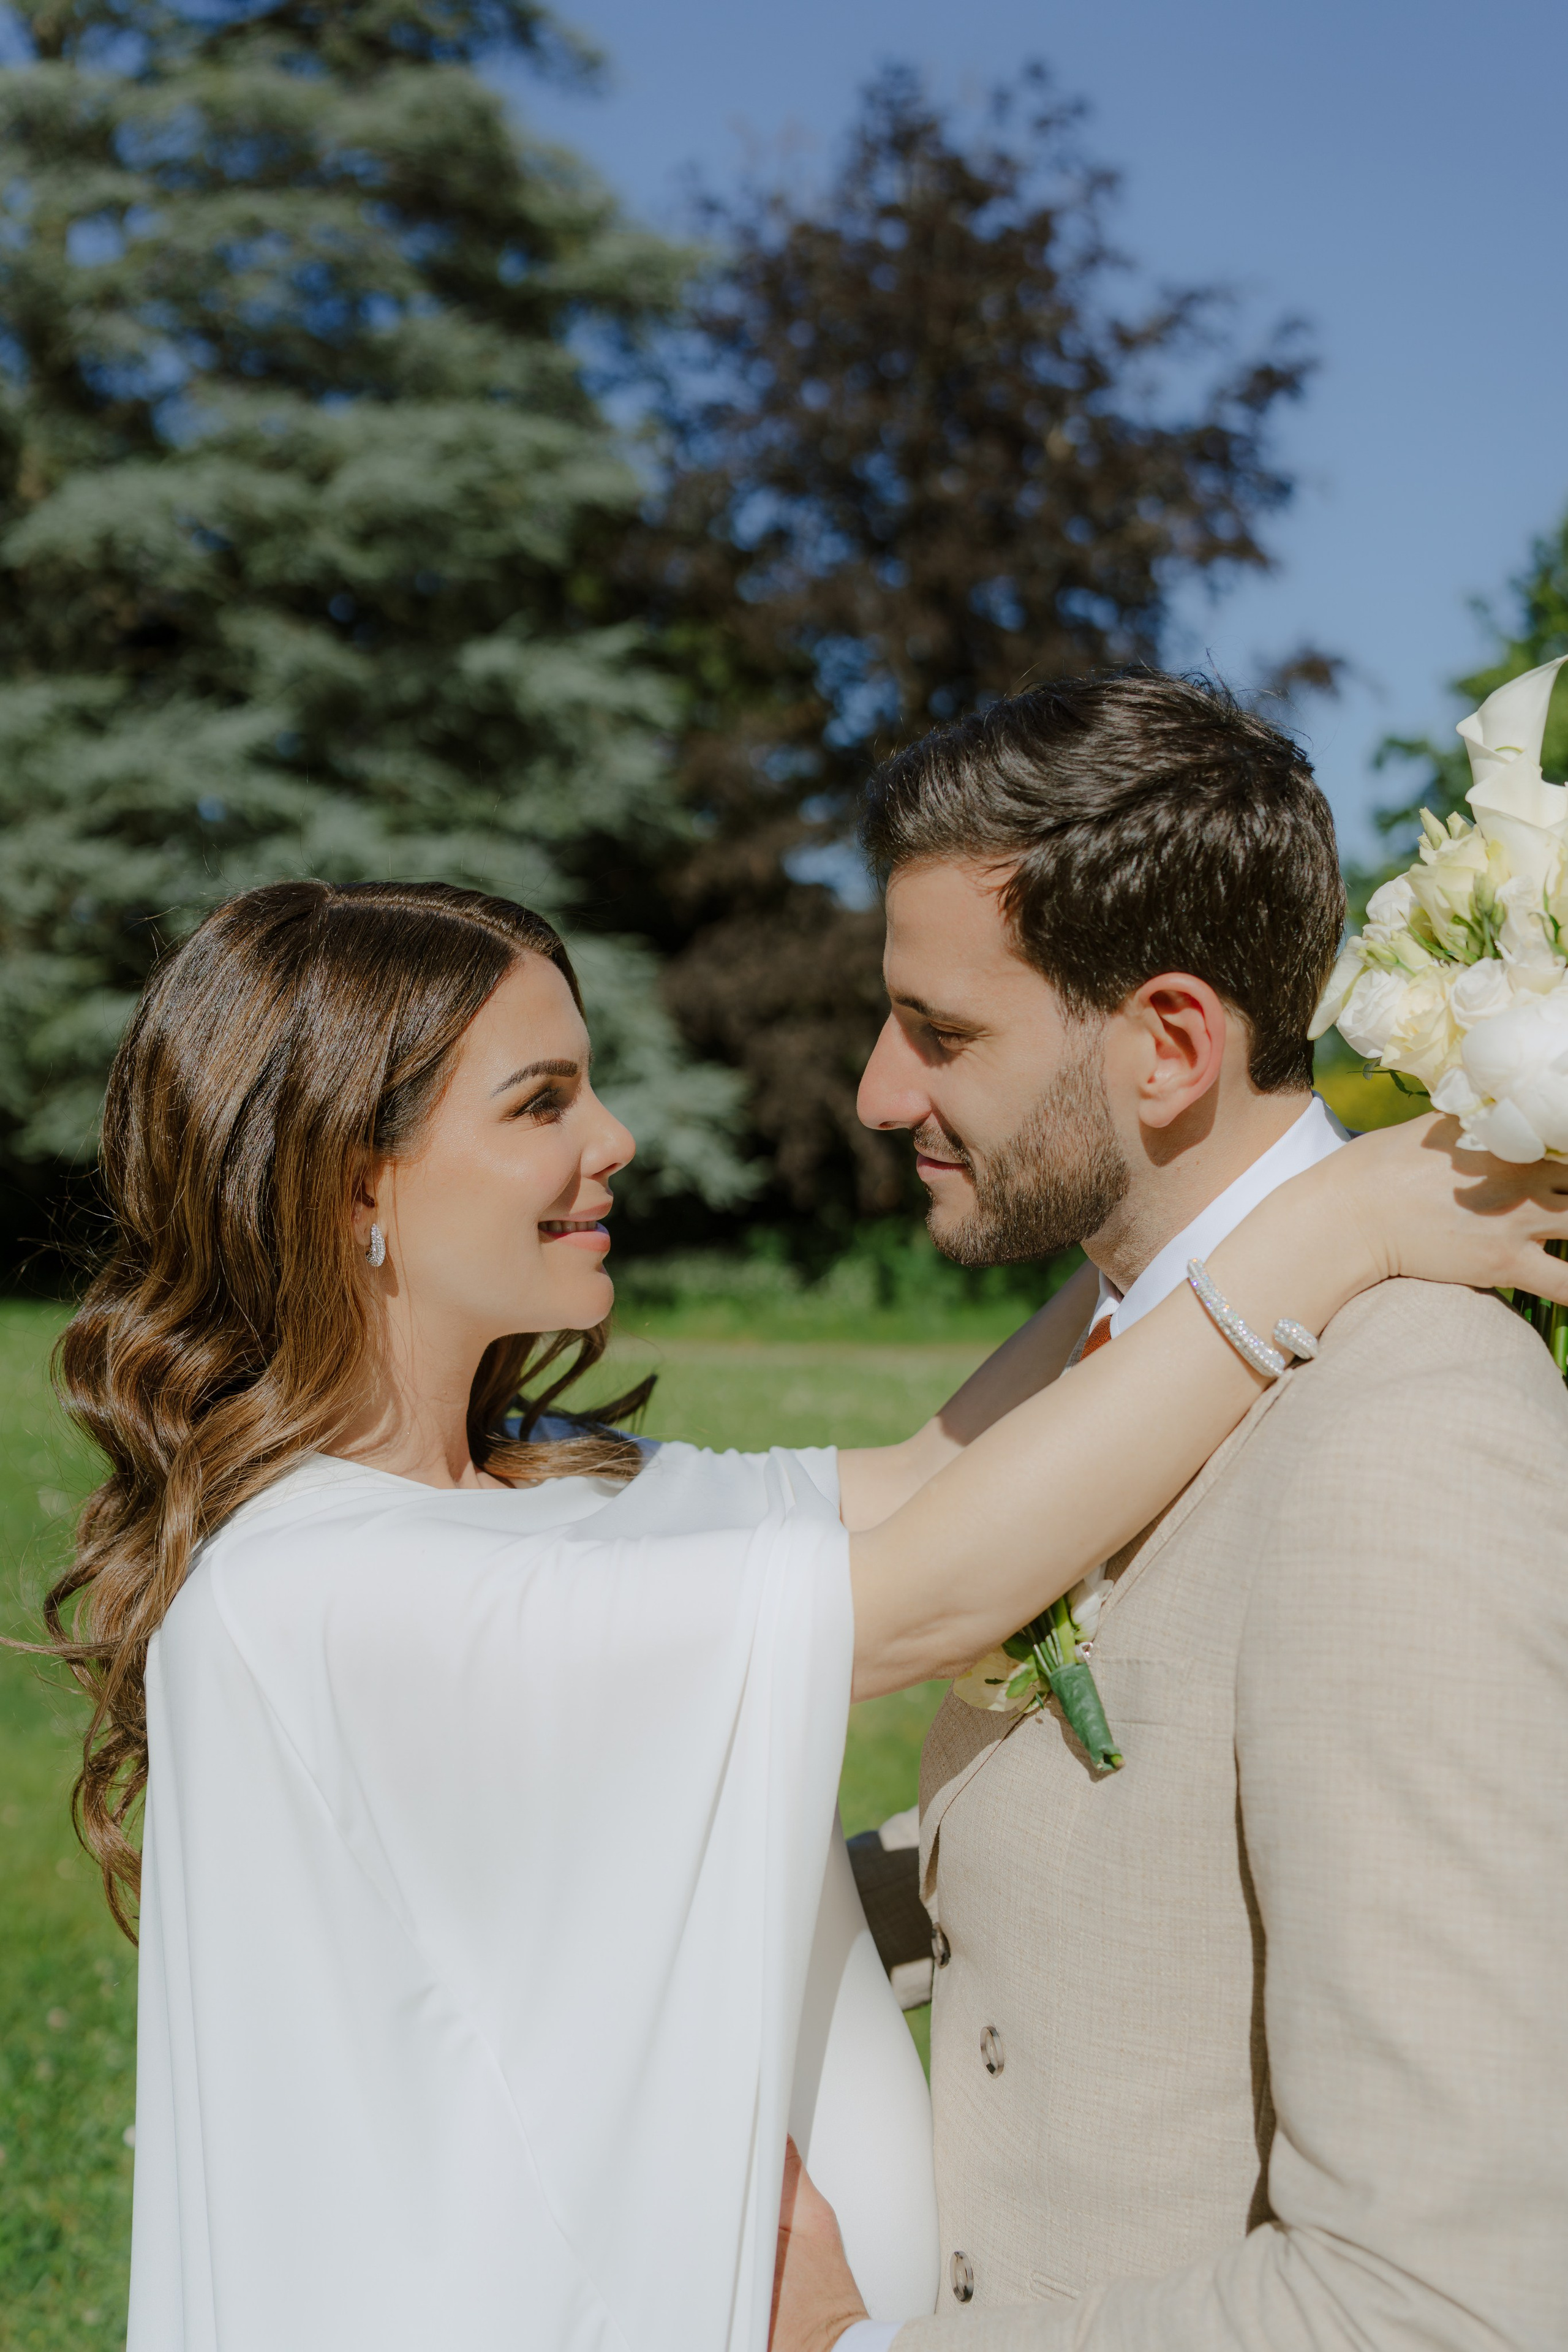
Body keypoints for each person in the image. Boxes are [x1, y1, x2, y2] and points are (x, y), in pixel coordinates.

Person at [38, 881, 1567, 2352]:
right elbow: (927, 1591)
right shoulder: (323, 1592)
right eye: (540, 1103)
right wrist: (1336, 1231)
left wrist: (1237, 1175)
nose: (615, 1138)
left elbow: (925, 1479)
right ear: (351, 1181)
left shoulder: (553, 1492)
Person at [771, 672, 1568, 2352]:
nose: (877, 1093)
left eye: (946, 1032)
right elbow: (1144, 1846)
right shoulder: (1129, 1363)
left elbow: (1442, 2303)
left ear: (1171, 1045)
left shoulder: (1411, 1438)